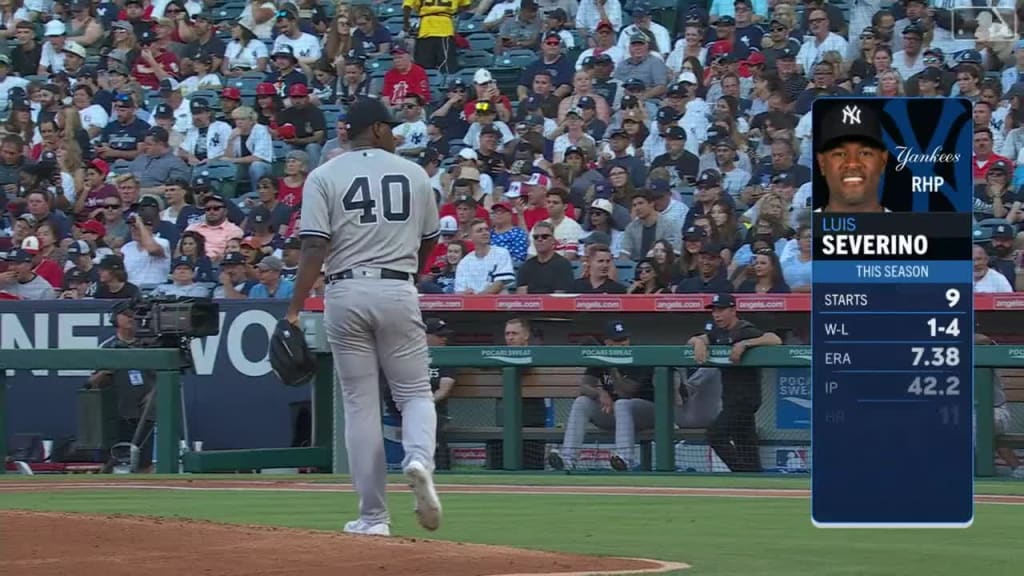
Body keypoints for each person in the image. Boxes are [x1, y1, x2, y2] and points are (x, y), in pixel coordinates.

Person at [283, 98, 442, 536]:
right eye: (387, 127)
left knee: (360, 405)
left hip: (345, 289)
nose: (392, 133)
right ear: (374, 130)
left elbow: (314, 247)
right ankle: (418, 460)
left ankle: (374, 518)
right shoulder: (414, 174)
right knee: (414, 393)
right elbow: (429, 241)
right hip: (397, 285)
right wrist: (408, 272)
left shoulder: (323, 174)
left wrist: (294, 307)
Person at [688, 293, 782, 472]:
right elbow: (695, 339)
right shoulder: (718, 332)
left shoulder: (744, 329)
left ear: (733, 310)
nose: (716, 315)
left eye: (721, 310)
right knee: (746, 446)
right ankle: (753, 478)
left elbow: (774, 339)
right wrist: (699, 342)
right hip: (730, 399)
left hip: (746, 399)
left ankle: (740, 473)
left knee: (715, 434)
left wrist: (745, 344)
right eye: (714, 310)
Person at [87, 300, 157, 473]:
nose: (131, 318)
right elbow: (92, 383)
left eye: (134, 315)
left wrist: (154, 395)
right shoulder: (108, 346)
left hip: (143, 412)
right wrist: (106, 371)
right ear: (115, 318)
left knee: (144, 462)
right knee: (109, 460)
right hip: (116, 413)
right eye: (126, 314)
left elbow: (164, 376)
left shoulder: (149, 345)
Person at [815, 102, 890, 213]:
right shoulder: (805, 228)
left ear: (883, 161)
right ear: (822, 163)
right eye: (840, 154)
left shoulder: (910, 229)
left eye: (865, 153)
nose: (852, 163)